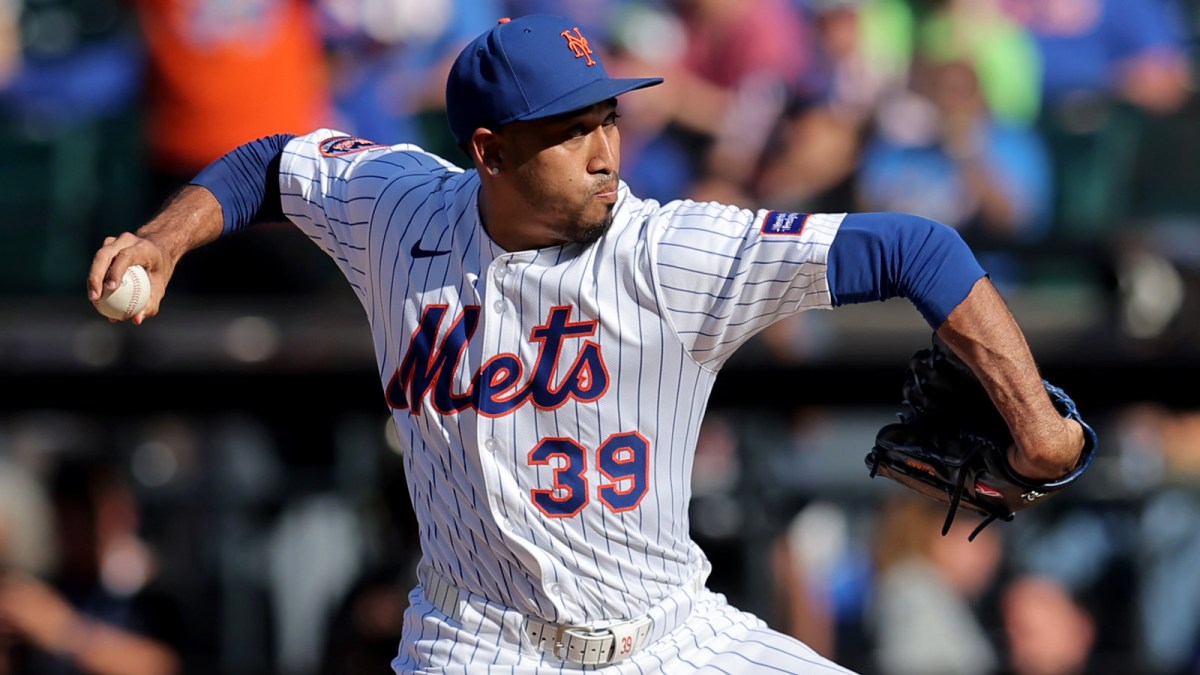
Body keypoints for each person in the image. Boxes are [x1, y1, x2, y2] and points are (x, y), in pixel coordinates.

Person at [85, 13, 1089, 673]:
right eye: (571, 131)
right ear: (489, 150)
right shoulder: (395, 202)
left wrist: (1036, 427)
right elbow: (271, 164)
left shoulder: (674, 253)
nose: (607, 149)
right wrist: (165, 240)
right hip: (478, 645)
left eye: (608, 116)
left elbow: (919, 246)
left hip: (674, 637)